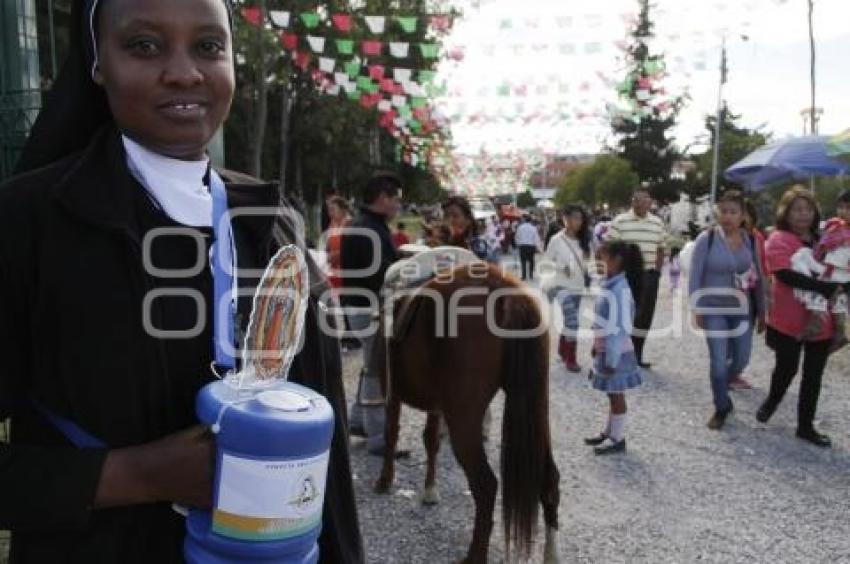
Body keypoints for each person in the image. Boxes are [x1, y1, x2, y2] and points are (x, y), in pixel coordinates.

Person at [0, 0, 363, 562]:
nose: (184, 72)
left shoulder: (270, 223)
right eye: (144, 45)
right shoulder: (26, 224)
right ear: (97, 62)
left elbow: (328, 447)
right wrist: (137, 476)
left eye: (208, 46)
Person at [757, 186, 850, 447]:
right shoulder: (778, 239)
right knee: (787, 368)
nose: (803, 215)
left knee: (814, 374)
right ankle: (773, 399)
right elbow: (783, 273)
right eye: (797, 209)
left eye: (808, 209)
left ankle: (805, 426)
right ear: (786, 213)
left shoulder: (827, 238)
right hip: (789, 319)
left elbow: (839, 269)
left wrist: (843, 284)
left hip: (823, 321)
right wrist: (824, 287)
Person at [688, 191, 765, 430]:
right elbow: (694, 276)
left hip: (742, 308)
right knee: (718, 361)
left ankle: (724, 381)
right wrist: (696, 308)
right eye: (724, 211)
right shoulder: (707, 239)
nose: (728, 216)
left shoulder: (750, 240)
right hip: (713, 309)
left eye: (733, 212)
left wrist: (763, 311)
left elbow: (760, 277)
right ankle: (721, 405)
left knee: (742, 358)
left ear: (743, 215)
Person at [340, 172, 403, 456]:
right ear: (381, 198)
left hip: (360, 305)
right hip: (370, 309)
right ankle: (379, 438)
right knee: (377, 370)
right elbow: (382, 275)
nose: (399, 206)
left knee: (370, 365)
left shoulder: (365, 225)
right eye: (396, 199)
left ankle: (358, 421)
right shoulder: (370, 229)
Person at [584, 241, 644, 455]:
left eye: (602, 258)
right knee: (611, 394)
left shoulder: (620, 290)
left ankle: (617, 438)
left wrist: (611, 359)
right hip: (607, 349)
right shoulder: (610, 285)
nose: (597, 263)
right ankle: (609, 432)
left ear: (617, 261)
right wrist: (596, 345)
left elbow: (618, 329)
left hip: (616, 353)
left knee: (616, 395)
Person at [606, 186, 669, 368]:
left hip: (649, 276)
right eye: (637, 200)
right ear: (632, 202)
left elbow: (661, 248)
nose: (641, 203)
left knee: (644, 316)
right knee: (623, 314)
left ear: (650, 203)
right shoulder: (620, 221)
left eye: (645, 200)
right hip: (626, 276)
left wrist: (657, 272)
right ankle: (618, 353)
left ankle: (636, 354)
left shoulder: (657, 223)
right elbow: (611, 248)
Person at [543, 205, 591, 372]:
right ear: (565, 219)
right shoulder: (556, 240)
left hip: (577, 286)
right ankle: (571, 358)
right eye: (572, 217)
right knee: (573, 321)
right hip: (560, 285)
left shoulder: (584, 240)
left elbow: (587, 266)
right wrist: (562, 267)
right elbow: (545, 263)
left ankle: (563, 349)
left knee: (569, 321)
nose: (575, 221)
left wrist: (589, 266)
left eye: (579, 218)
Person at [441, 196, 491, 260]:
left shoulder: (478, 245)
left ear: (468, 220)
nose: (450, 220)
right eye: (446, 216)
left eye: (455, 216)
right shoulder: (442, 243)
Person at [325, 195, 352, 294]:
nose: (330, 213)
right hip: (333, 270)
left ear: (343, 209)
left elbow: (352, 249)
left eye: (333, 209)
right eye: (328, 210)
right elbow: (328, 246)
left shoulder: (349, 224)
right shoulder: (332, 223)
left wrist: (337, 255)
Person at [515, 215, 542, 281]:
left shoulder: (520, 227)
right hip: (531, 246)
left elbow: (517, 236)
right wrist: (538, 247)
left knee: (523, 261)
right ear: (530, 221)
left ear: (525, 220)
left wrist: (518, 244)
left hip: (523, 246)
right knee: (531, 260)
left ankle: (524, 276)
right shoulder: (533, 228)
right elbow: (536, 238)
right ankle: (531, 274)